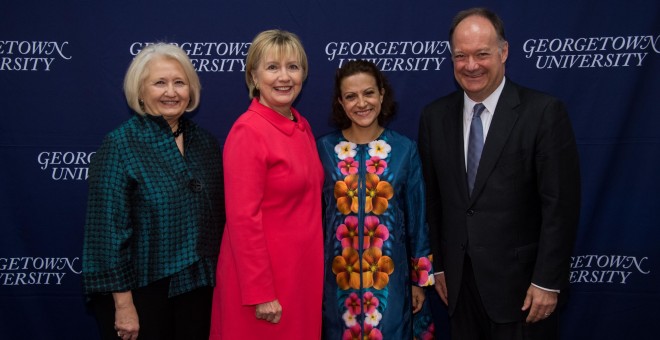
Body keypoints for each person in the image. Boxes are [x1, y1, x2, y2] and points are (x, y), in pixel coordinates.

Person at [418, 7, 581, 340]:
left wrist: (547, 282)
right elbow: (432, 201)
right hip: (460, 293)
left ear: (504, 52)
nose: (471, 65)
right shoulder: (434, 117)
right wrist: (438, 267)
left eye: (482, 54)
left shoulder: (543, 112)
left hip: (524, 295)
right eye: (460, 56)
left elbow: (560, 206)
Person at [82, 43, 225, 340]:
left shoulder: (206, 144)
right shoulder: (120, 145)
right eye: (160, 83)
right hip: (141, 293)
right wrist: (123, 306)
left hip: (199, 290)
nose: (171, 92)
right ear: (140, 91)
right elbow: (106, 234)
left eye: (179, 82)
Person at [209, 29, 324, 339]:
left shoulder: (301, 125)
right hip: (263, 288)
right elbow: (242, 219)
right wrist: (260, 292)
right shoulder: (248, 131)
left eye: (293, 67)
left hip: (300, 277)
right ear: (254, 77)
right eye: (272, 67)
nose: (284, 77)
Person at [317, 60, 436, 339]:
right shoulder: (322, 149)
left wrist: (420, 282)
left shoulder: (405, 150)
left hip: (391, 283)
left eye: (368, 93)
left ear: (382, 94)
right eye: (351, 96)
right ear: (340, 102)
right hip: (335, 285)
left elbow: (419, 221)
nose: (361, 103)